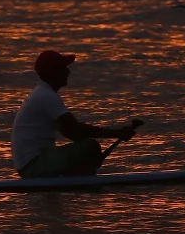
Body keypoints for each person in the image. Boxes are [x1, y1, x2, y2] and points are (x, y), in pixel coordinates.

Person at [11, 51, 141, 178]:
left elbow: (70, 133)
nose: (68, 72)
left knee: (87, 149)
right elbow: (76, 131)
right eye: (64, 68)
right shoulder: (46, 96)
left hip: (30, 164)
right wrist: (117, 134)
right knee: (91, 147)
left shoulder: (42, 94)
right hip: (33, 166)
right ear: (53, 72)